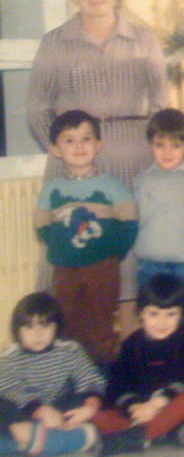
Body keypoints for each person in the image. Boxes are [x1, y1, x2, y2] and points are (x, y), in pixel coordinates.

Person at [27, 0, 168, 335]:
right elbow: (37, 109)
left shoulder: (142, 38)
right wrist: (66, 150)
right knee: (71, 250)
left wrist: (154, 152)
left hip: (133, 158)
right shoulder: (55, 42)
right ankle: (67, 345)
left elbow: (161, 104)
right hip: (74, 161)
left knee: (129, 246)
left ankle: (131, 342)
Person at [33, 109, 137, 364]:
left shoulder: (111, 185)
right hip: (65, 269)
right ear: (56, 149)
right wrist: (58, 247)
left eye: (86, 139)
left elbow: (129, 221)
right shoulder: (53, 188)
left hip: (103, 267)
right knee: (66, 318)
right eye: (69, 140)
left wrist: (115, 252)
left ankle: (102, 370)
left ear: (98, 145)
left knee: (101, 320)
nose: (79, 146)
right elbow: (42, 223)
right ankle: (70, 369)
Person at [93, 274, 184, 457]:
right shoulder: (131, 345)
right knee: (99, 416)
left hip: (169, 404)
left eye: (171, 314)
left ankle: (135, 438)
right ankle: (163, 432)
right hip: (140, 409)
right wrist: (134, 406)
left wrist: (156, 404)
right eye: (154, 314)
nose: (162, 322)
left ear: (181, 315)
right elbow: (117, 385)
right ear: (141, 314)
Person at [133, 109, 184, 340]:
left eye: (175, 145)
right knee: (151, 325)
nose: (167, 152)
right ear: (150, 145)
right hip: (149, 263)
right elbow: (135, 219)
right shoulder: (141, 181)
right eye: (160, 145)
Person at [0, 292, 102, 457]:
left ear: (56, 327)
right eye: (29, 327)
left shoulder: (70, 350)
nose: (38, 334)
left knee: (82, 400)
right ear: (17, 330)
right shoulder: (10, 357)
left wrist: (90, 407)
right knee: (4, 405)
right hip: (24, 412)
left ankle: (30, 441)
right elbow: (11, 391)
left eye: (45, 326)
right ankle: (37, 438)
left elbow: (90, 380)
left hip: (58, 411)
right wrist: (38, 410)